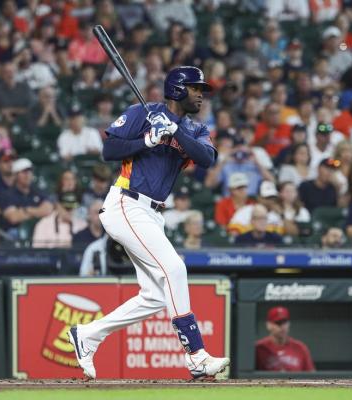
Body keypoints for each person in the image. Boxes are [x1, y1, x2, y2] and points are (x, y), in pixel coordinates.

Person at [68, 66, 229, 380]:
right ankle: (196, 354)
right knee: (175, 268)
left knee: (154, 297)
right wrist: (147, 139)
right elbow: (109, 150)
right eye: (196, 88)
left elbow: (208, 159)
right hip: (127, 202)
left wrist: (174, 130)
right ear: (178, 89)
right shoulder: (142, 113)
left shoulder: (194, 128)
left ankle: (88, 335)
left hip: (154, 214)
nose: (201, 94)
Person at [0, 158, 54, 241]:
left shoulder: (36, 191)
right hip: (16, 232)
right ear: (16, 175)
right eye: (24, 172)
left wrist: (26, 210)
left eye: (30, 171)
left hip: (39, 230)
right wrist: (38, 212)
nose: (28, 175)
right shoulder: (7, 194)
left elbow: (48, 210)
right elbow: (14, 218)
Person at [255, 306, 315, 372]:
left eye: (284, 322)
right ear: (269, 325)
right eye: (278, 323)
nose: (282, 327)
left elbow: (312, 377)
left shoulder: (300, 348)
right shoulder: (259, 348)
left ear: (289, 324)